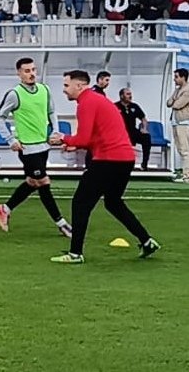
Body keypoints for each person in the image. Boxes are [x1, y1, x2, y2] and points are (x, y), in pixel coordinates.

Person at [48, 70, 160, 264]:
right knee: (113, 202)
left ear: (79, 86)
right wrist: (74, 143)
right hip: (125, 159)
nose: (64, 90)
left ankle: (75, 253)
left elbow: (84, 137)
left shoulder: (86, 103)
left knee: (81, 202)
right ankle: (147, 240)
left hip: (108, 159)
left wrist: (63, 138)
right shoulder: (96, 100)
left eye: (66, 85)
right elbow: (93, 138)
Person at [0, 58, 73, 237]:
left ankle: (4, 209)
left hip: (43, 146)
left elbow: (51, 112)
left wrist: (56, 132)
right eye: (27, 71)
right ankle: (62, 224)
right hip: (27, 149)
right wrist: (10, 139)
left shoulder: (45, 90)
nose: (31, 74)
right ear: (19, 74)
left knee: (32, 182)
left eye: (33, 70)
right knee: (43, 183)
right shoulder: (15, 94)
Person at [116, 88, 152, 171]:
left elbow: (143, 119)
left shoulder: (134, 106)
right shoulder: (115, 106)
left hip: (132, 131)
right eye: (128, 94)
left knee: (146, 137)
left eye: (130, 94)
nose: (130, 96)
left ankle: (144, 164)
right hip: (120, 133)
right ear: (122, 96)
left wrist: (144, 128)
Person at [167, 68, 189, 182]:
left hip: (184, 122)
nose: (174, 79)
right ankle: (185, 173)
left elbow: (177, 105)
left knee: (185, 150)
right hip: (176, 122)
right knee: (180, 149)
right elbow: (168, 103)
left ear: (183, 77)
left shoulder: (187, 90)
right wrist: (175, 98)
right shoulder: (178, 90)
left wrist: (175, 99)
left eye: (176, 77)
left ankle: (187, 175)